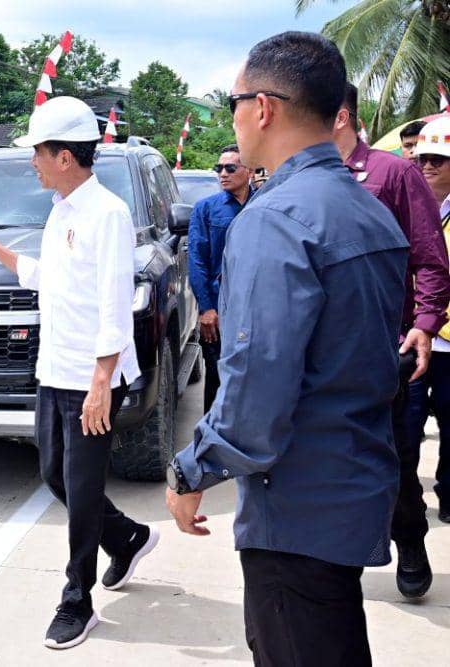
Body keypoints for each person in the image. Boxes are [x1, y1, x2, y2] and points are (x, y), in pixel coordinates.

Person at [166, 32, 410, 665]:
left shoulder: (276, 219)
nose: (234, 119)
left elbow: (256, 387)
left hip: (296, 506)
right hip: (351, 485)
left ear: (264, 108)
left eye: (235, 103)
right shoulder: (367, 210)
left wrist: (192, 469)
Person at [0, 96, 156, 650]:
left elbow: (114, 305)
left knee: (81, 489)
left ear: (64, 156)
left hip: (91, 376)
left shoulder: (108, 214)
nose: (32, 161)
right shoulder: (61, 211)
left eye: (37, 151)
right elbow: (52, 278)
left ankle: (77, 599)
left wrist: (102, 383)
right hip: (54, 369)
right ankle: (126, 537)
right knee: (54, 474)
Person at [333, 82, 450, 599]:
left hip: (385, 348)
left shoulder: (393, 174)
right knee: (332, 462)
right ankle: (342, 553)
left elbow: (430, 258)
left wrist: (423, 323)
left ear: (339, 115)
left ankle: (410, 539)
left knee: (396, 458)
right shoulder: (301, 177)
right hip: (321, 352)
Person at [406, 116, 450, 524]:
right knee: (406, 423)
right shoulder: (403, 205)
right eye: (423, 159)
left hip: (448, 341)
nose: (429, 166)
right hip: (411, 337)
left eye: (439, 159)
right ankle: (406, 500)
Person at [187, 145, 252, 413]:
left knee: (254, 383)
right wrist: (206, 308)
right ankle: (211, 436)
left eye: (230, 168)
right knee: (217, 381)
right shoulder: (206, 209)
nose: (223, 173)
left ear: (249, 170)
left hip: (255, 310)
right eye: (219, 168)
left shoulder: (263, 205)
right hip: (218, 312)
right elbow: (197, 261)